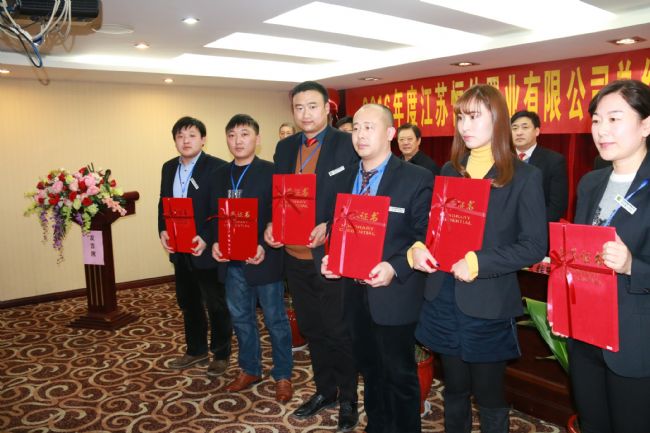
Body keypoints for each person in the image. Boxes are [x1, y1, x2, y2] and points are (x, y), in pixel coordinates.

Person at [410, 85, 547, 433]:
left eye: (474, 116)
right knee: (454, 389)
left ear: (497, 119)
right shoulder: (449, 169)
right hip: (443, 296)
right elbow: (436, 229)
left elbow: (534, 245)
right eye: (461, 117)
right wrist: (419, 247)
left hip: (487, 303)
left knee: (489, 397)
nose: (464, 126)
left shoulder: (523, 176)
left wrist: (478, 262)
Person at [322, 103, 433, 433]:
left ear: (390, 133)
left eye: (369, 127)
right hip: (354, 294)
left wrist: (394, 267)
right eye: (356, 128)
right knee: (369, 369)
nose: (360, 135)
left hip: (394, 294)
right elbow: (338, 226)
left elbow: (424, 236)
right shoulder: (344, 177)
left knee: (399, 374)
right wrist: (333, 258)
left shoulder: (416, 178)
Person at [263, 81, 359, 430]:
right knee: (313, 329)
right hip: (294, 255)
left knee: (338, 330)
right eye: (299, 107)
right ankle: (325, 390)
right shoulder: (285, 147)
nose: (305, 114)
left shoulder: (347, 144)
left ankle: (348, 399)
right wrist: (271, 224)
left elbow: (358, 196)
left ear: (328, 108)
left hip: (329, 257)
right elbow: (278, 196)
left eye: (312, 106)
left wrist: (332, 225)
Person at [569, 79, 650, 433]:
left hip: (635, 339)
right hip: (587, 333)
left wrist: (633, 265)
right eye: (597, 120)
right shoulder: (590, 182)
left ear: (646, 125)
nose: (602, 130)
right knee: (592, 423)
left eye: (615, 119)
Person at [212, 114, 293, 403]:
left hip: (264, 260)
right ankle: (250, 369)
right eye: (232, 135)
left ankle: (282, 374)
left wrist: (264, 246)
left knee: (275, 320)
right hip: (232, 262)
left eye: (244, 134)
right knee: (241, 319)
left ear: (257, 139)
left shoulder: (272, 172)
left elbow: (281, 216)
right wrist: (214, 242)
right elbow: (212, 217)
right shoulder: (219, 175)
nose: (238, 141)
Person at [157, 116, 232, 377]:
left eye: (191, 135)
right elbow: (162, 202)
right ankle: (196, 349)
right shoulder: (168, 167)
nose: (186, 141)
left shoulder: (217, 167)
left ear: (203, 139)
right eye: (180, 136)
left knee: (216, 304)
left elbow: (221, 209)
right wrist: (162, 229)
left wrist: (207, 237)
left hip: (206, 248)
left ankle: (221, 354)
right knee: (188, 302)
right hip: (179, 247)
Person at [511, 110, 568, 222]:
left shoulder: (554, 161)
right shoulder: (502, 160)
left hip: (537, 225)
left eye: (525, 127)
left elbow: (557, 206)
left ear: (537, 131)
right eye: (514, 128)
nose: (519, 132)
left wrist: (534, 225)